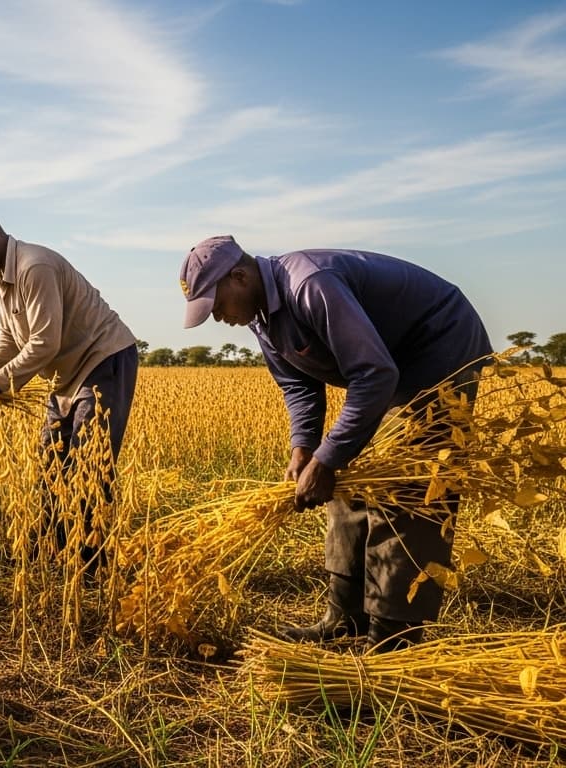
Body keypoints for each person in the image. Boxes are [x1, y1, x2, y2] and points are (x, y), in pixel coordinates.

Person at [179, 235, 492, 651]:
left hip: (439, 347)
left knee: (409, 487)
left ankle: (393, 636)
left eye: (216, 305)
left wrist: (327, 459)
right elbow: (297, 384)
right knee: (351, 479)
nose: (217, 317)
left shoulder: (310, 284)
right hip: (389, 365)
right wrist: (305, 448)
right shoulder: (260, 316)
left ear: (239, 275)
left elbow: (375, 375)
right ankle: (344, 618)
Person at [0, 205, 139, 565]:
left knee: (89, 461)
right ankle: (49, 550)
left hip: (103, 361)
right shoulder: (2, 277)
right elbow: (8, 337)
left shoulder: (34, 267)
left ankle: (90, 561)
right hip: (65, 376)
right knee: (51, 460)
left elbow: (42, 343)